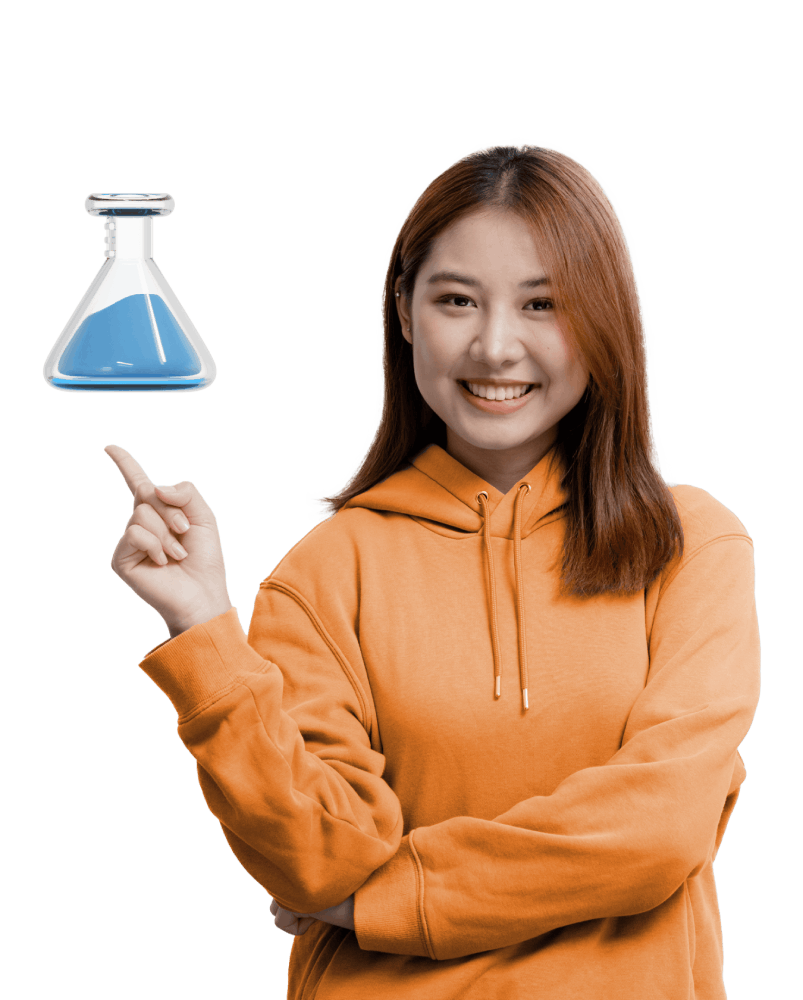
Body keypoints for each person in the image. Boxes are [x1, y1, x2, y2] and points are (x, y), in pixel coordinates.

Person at [105, 142, 761, 999]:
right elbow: (314, 858)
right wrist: (204, 634)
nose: (495, 346)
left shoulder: (690, 544)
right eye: (456, 300)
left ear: (603, 318)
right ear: (405, 313)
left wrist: (382, 900)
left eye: (542, 304)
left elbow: (660, 828)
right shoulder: (324, 573)